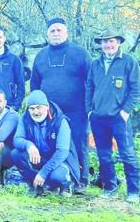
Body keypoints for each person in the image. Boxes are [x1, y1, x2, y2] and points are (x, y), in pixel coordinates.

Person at [30, 18, 91, 192]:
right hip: (50, 113)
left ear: (66, 32)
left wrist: (89, 107)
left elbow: (91, 81)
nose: (56, 34)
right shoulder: (41, 56)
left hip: (77, 109)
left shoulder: (80, 53)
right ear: (47, 34)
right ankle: (55, 179)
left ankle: (82, 180)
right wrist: (39, 107)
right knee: (52, 144)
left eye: (59, 30)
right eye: (52, 31)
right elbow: (35, 85)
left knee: (79, 143)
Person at [86, 30, 140, 203]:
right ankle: (110, 188)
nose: (108, 45)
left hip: (119, 118)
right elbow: (89, 87)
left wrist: (125, 112)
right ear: (100, 45)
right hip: (98, 118)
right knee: (104, 155)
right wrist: (89, 111)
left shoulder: (129, 62)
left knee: (128, 155)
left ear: (118, 42)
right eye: (104, 42)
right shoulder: (95, 64)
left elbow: (136, 89)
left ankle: (134, 191)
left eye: (111, 41)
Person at [12, 90, 80, 197]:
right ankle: (36, 185)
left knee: (56, 176)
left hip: (60, 161)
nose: (35, 112)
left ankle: (66, 185)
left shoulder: (60, 121)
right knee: (16, 154)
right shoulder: (25, 118)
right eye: (32, 108)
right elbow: (17, 139)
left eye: (39, 107)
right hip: (39, 158)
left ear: (47, 106)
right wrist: (29, 145)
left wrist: (43, 173)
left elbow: (62, 152)